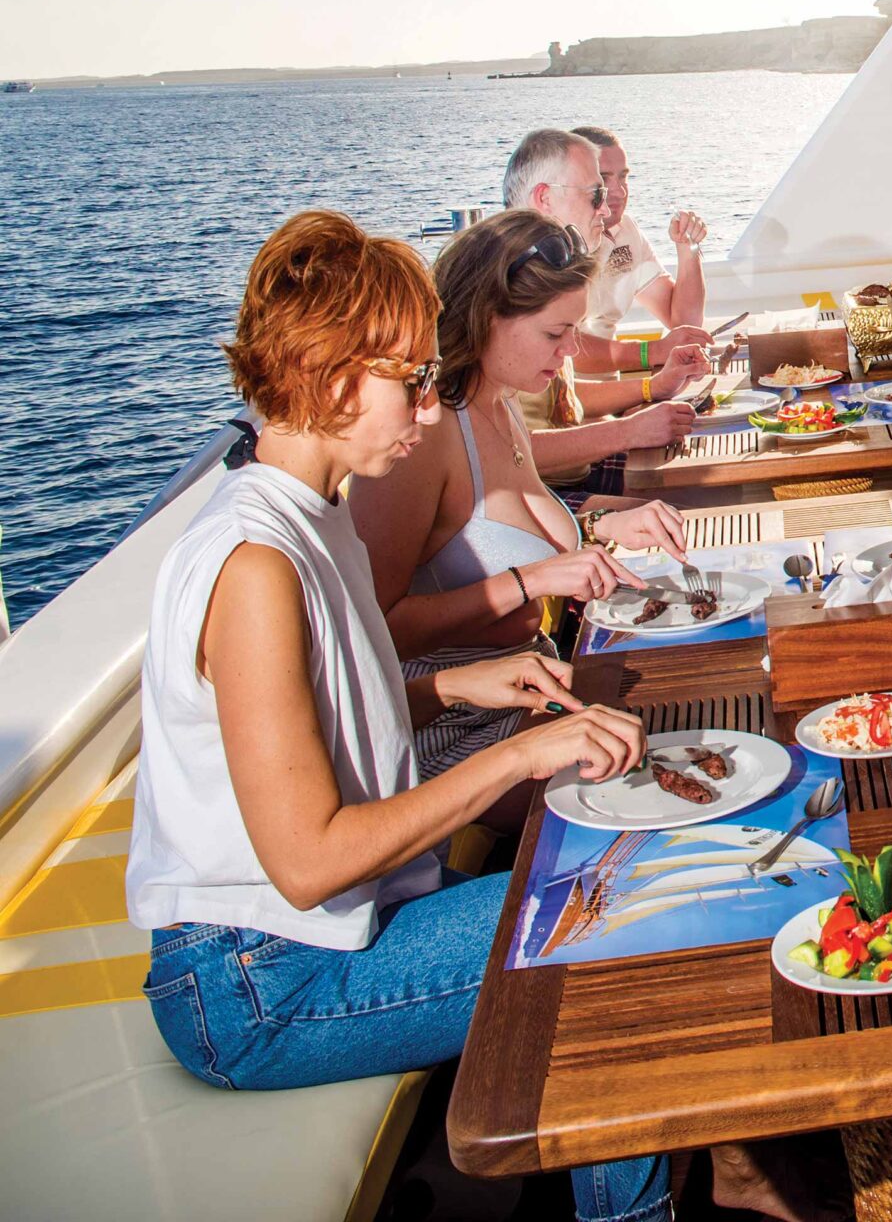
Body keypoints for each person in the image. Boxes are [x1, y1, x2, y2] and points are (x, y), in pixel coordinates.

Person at [124, 210, 670, 1222]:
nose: (429, 402)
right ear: (334, 380)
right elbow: (309, 861)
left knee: (613, 880)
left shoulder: (313, 511)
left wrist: (458, 687)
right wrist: (521, 757)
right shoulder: (254, 564)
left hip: (332, 930)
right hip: (261, 979)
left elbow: (325, 713)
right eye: (411, 379)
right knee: (611, 930)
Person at [353, 211, 695, 784]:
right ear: (487, 319)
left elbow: (506, 528)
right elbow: (378, 630)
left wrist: (607, 524)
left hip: (537, 685)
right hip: (453, 724)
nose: (571, 351)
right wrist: (531, 581)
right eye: (555, 334)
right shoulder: (421, 440)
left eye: (574, 331)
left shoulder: (501, 401)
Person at [500, 129, 706, 492]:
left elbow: (560, 400)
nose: (609, 206)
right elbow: (504, 452)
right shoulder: (508, 285)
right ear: (544, 198)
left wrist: (653, 387)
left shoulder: (552, 268)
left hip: (573, 465)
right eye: (596, 193)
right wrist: (627, 430)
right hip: (541, 490)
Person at [569, 124, 709, 342]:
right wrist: (648, 353)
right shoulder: (553, 243)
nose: (620, 191)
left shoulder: (626, 231)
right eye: (603, 179)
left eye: (623, 177)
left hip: (614, 363)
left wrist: (687, 247)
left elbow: (684, 322)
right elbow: (562, 345)